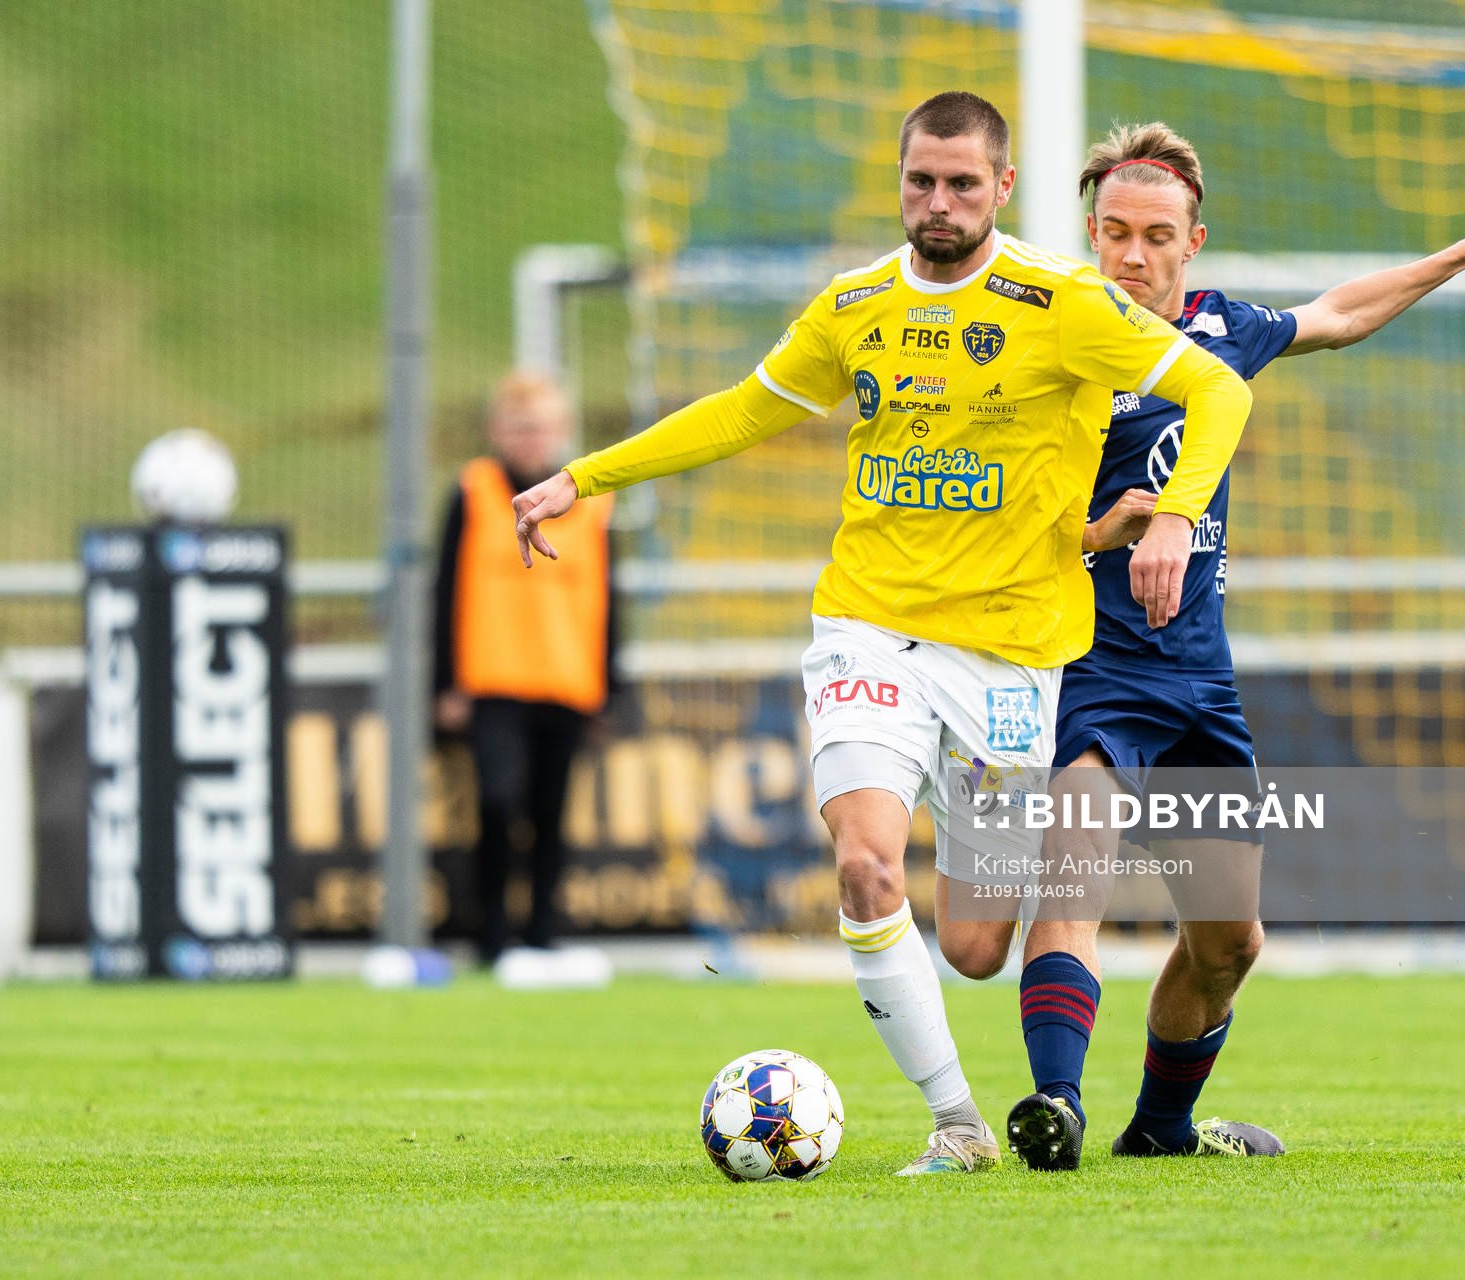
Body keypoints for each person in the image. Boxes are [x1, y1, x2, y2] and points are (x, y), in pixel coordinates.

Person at [511, 92, 1255, 1175]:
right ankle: (958, 1124)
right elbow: (740, 408)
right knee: (865, 868)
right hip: (870, 631)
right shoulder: (856, 303)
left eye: (962, 182)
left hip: (1009, 654)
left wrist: (1177, 514)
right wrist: (584, 477)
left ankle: (1084, 1093)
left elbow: (1216, 389)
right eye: (921, 181)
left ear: (1001, 187)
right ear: (899, 181)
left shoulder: (1065, 301)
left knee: (973, 943)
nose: (939, 201)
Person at [987, 121, 1465, 1169]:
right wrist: (1101, 534)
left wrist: (1463, 254)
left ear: (1194, 241)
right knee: (1073, 868)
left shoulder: (1223, 330)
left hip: (1195, 684)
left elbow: (1341, 314)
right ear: (1089, 233)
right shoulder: (1053, 339)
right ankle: (1055, 1107)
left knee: (1229, 942)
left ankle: (1160, 1129)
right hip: (1080, 665)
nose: (1133, 255)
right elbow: (987, 524)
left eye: (1157, 235)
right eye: (1115, 233)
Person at [433, 371, 617, 965]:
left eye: (539, 427)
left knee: (550, 815)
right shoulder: (474, 490)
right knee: (495, 802)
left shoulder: (590, 498)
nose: (529, 439)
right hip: (494, 680)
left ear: (561, 430)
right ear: (496, 431)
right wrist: (445, 682)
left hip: (566, 679)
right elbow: (444, 591)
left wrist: (608, 687)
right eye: (518, 427)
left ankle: (541, 933)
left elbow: (610, 598)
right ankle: (488, 935)